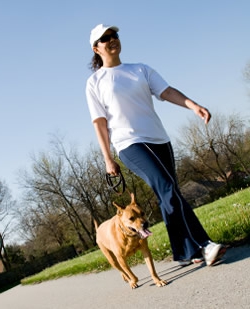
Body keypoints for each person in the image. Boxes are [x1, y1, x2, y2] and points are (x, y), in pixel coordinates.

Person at [85, 24, 226, 266]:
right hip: (129, 144)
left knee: (168, 193)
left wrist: (193, 105)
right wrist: (108, 158)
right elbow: (99, 123)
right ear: (96, 48)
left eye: (115, 35)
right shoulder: (95, 82)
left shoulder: (140, 69)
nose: (112, 40)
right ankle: (204, 245)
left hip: (159, 139)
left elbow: (167, 91)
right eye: (105, 38)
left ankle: (184, 252)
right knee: (167, 187)